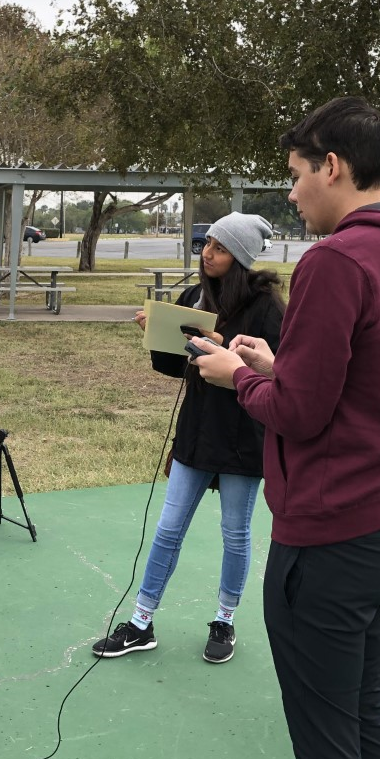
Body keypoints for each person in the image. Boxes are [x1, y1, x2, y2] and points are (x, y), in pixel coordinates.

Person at [192, 97, 380, 759]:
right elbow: (378, 380)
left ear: (332, 166)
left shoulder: (338, 259)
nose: (294, 194)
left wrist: (236, 379)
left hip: (330, 536)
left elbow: (301, 414)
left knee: (327, 747)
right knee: (361, 720)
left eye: (297, 175)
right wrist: (281, 364)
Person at [93, 213, 284, 664]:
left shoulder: (268, 307)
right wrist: (158, 337)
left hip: (244, 433)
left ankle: (225, 620)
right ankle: (141, 622)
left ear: (239, 256)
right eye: (206, 244)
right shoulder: (194, 297)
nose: (208, 253)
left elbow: (278, 373)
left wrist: (227, 348)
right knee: (168, 528)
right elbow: (178, 368)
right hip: (196, 431)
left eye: (218, 247)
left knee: (236, 533)